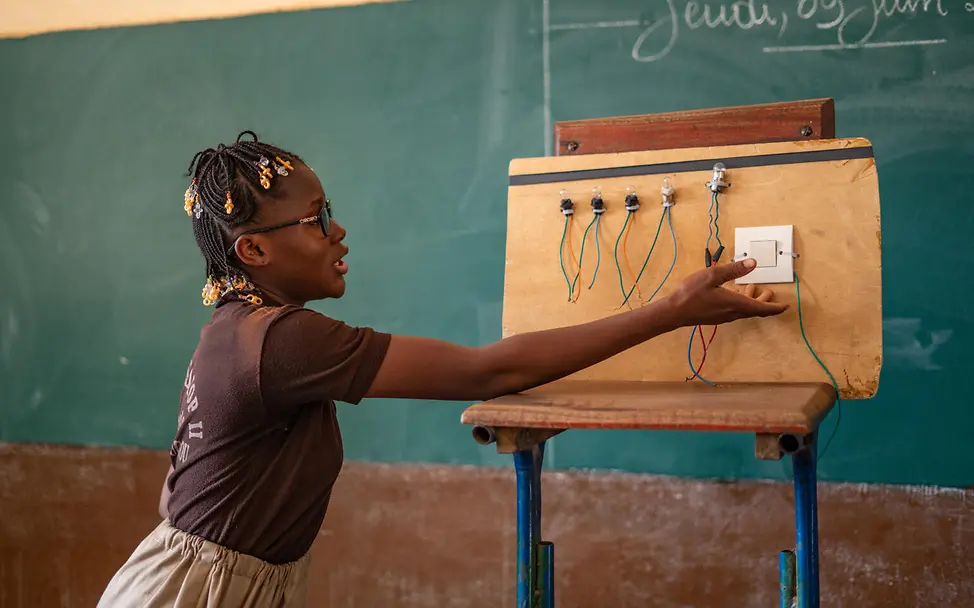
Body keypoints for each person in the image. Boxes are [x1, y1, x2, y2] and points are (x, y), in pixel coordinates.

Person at [97, 131, 787, 607]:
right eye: (315, 219)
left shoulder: (243, 331)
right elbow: (490, 374)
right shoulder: (282, 342)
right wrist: (671, 309)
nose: (338, 232)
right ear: (253, 250)